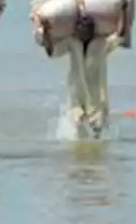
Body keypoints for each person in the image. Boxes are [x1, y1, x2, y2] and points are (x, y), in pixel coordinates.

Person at [45, 9, 128, 139]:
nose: (83, 31)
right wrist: (46, 31)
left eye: (86, 28)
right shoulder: (72, 43)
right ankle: (80, 157)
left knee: (97, 132)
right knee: (78, 127)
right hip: (76, 94)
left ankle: (96, 156)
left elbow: (120, 34)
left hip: (97, 96)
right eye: (80, 28)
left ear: (92, 30)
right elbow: (51, 52)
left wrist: (123, 10)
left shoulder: (101, 44)